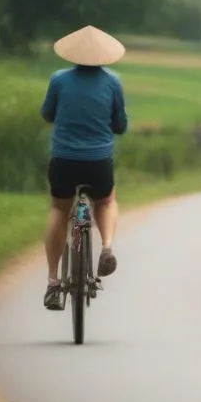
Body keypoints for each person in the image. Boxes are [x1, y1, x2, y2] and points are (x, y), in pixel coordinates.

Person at [40, 25, 129, 311]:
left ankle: (53, 283)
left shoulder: (59, 79)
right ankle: (106, 247)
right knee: (105, 200)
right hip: (98, 162)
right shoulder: (113, 82)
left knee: (58, 209)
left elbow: (47, 114)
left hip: (64, 160)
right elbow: (120, 126)